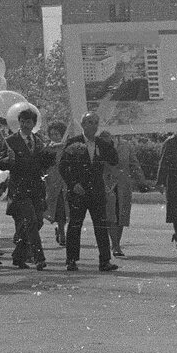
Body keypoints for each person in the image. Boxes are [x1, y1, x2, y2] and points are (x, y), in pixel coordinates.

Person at [58, 112, 119, 271]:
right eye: (90, 122)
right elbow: (63, 167)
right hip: (78, 191)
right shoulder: (74, 142)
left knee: (101, 225)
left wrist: (110, 143)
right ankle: (71, 260)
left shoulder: (101, 143)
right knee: (75, 225)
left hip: (97, 191)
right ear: (83, 124)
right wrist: (73, 184)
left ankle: (104, 260)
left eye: (96, 123)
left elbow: (114, 160)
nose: (93, 125)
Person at [1, 108, 55, 270]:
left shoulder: (39, 141)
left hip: (36, 188)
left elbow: (43, 165)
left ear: (33, 124)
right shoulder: (10, 141)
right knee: (30, 221)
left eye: (28, 122)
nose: (25, 125)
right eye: (22, 122)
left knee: (38, 221)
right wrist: (8, 159)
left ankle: (18, 255)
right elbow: (0, 162)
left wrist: (50, 154)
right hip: (19, 188)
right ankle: (39, 257)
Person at [100, 131, 143, 258]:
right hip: (106, 184)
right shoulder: (98, 145)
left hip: (123, 184)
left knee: (121, 214)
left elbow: (134, 163)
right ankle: (115, 244)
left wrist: (141, 180)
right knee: (110, 213)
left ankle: (116, 242)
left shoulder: (126, 145)